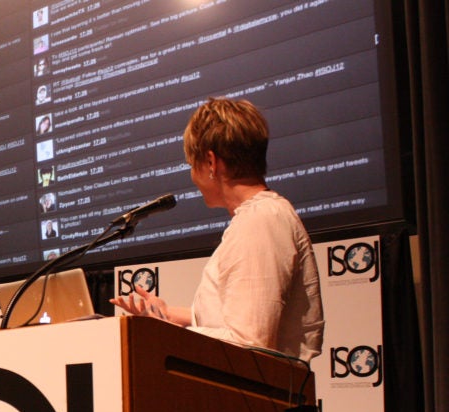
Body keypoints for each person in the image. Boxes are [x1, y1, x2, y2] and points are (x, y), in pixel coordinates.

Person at [110, 97, 324, 362]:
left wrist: (162, 331)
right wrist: (169, 314)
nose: (192, 177)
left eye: (191, 165)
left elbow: (250, 342)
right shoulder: (257, 217)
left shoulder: (261, 220)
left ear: (211, 162)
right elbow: (235, 319)